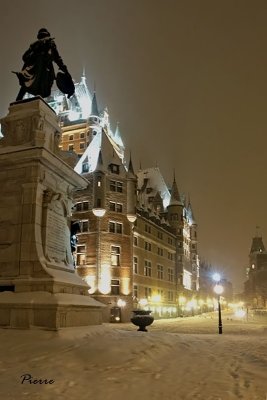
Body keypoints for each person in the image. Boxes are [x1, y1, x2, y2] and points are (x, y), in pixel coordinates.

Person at [13, 28, 74, 101]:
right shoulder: (50, 43)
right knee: (42, 88)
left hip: (34, 69)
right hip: (46, 70)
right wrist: (64, 69)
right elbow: (57, 58)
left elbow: (24, 57)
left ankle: (18, 101)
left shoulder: (34, 45)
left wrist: (33, 56)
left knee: (26, 84)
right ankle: (39, 102)